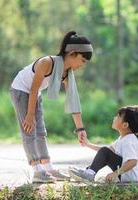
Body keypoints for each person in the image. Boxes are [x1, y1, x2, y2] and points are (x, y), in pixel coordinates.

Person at [10, 31, 93, 183]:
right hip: (21, 90)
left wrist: (80, 129)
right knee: (29, 130)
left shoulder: (67, 73)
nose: (82, 65)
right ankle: (36, 171)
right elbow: (33, 88)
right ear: (73, 53)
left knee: (40, 131)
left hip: (36, 93)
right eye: (82, 60)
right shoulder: (47, 62)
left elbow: (73, 99)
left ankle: (48, 168)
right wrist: (29, 115)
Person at [69, 105, 138, 183]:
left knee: (105, 152)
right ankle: (88, 171)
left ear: (125, 125)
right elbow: (105, 152)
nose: (115, 118)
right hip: (126, 174)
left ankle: (89, 173)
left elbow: (133, 161)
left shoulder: (128, 140)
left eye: (118, 116)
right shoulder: (124, 138)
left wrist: (116, 173)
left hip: (129, 176)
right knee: (105, 151)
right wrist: (87, 144)